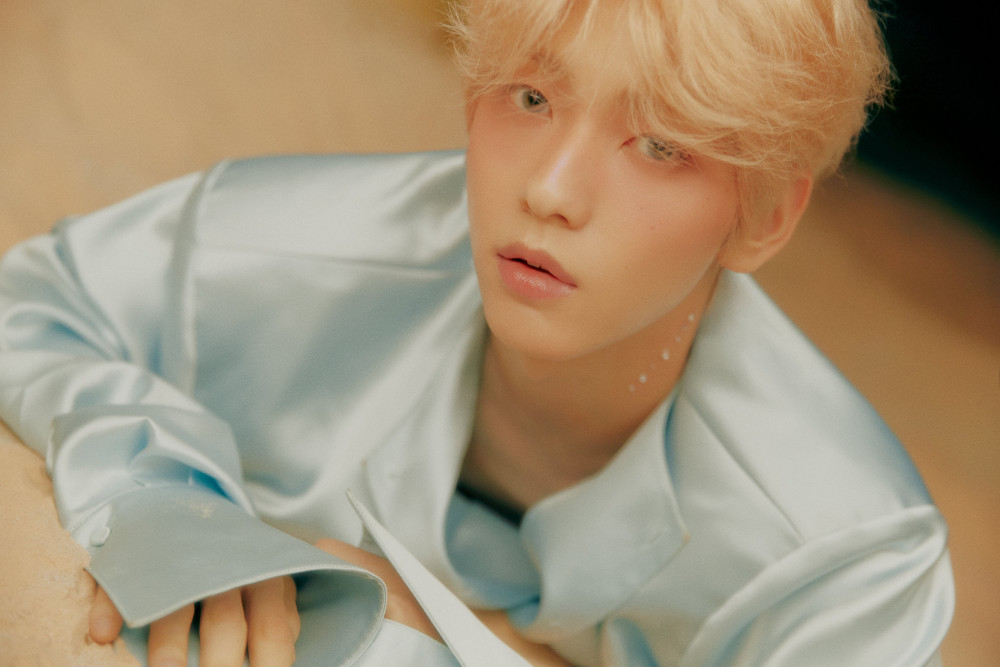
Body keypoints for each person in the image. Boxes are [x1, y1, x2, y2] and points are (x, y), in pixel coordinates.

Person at [0, 0, 954, 664]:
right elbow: (33, 298)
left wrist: (454, 629)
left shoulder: (846, 556)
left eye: (661, 144)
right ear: (473, 98)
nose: (550, 189)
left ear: (765, 217)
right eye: (531, 99)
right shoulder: (293, 248)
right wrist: (169, 499)